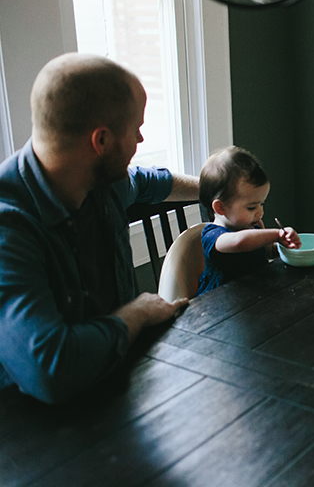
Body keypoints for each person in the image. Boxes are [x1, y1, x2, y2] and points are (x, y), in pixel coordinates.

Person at [0, 53, 200, 404]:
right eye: (135, 127)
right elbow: (51, 370)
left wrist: (215, 188)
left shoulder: (102, 178)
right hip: (35, 429)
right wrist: (137, 312)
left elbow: (151, 182)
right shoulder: (10, 226)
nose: (140, 138)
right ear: (101, 141)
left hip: (120, 387)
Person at [196, 146, 300, 296]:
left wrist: (284, 244)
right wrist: (276, 234)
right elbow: (240, 242)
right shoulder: (213, 235)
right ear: (220, 208)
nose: (260, 212)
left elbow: (268, 251)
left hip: (255, 294)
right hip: (220, 305)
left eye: (261, 204)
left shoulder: (254, 225)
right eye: (251, 207)